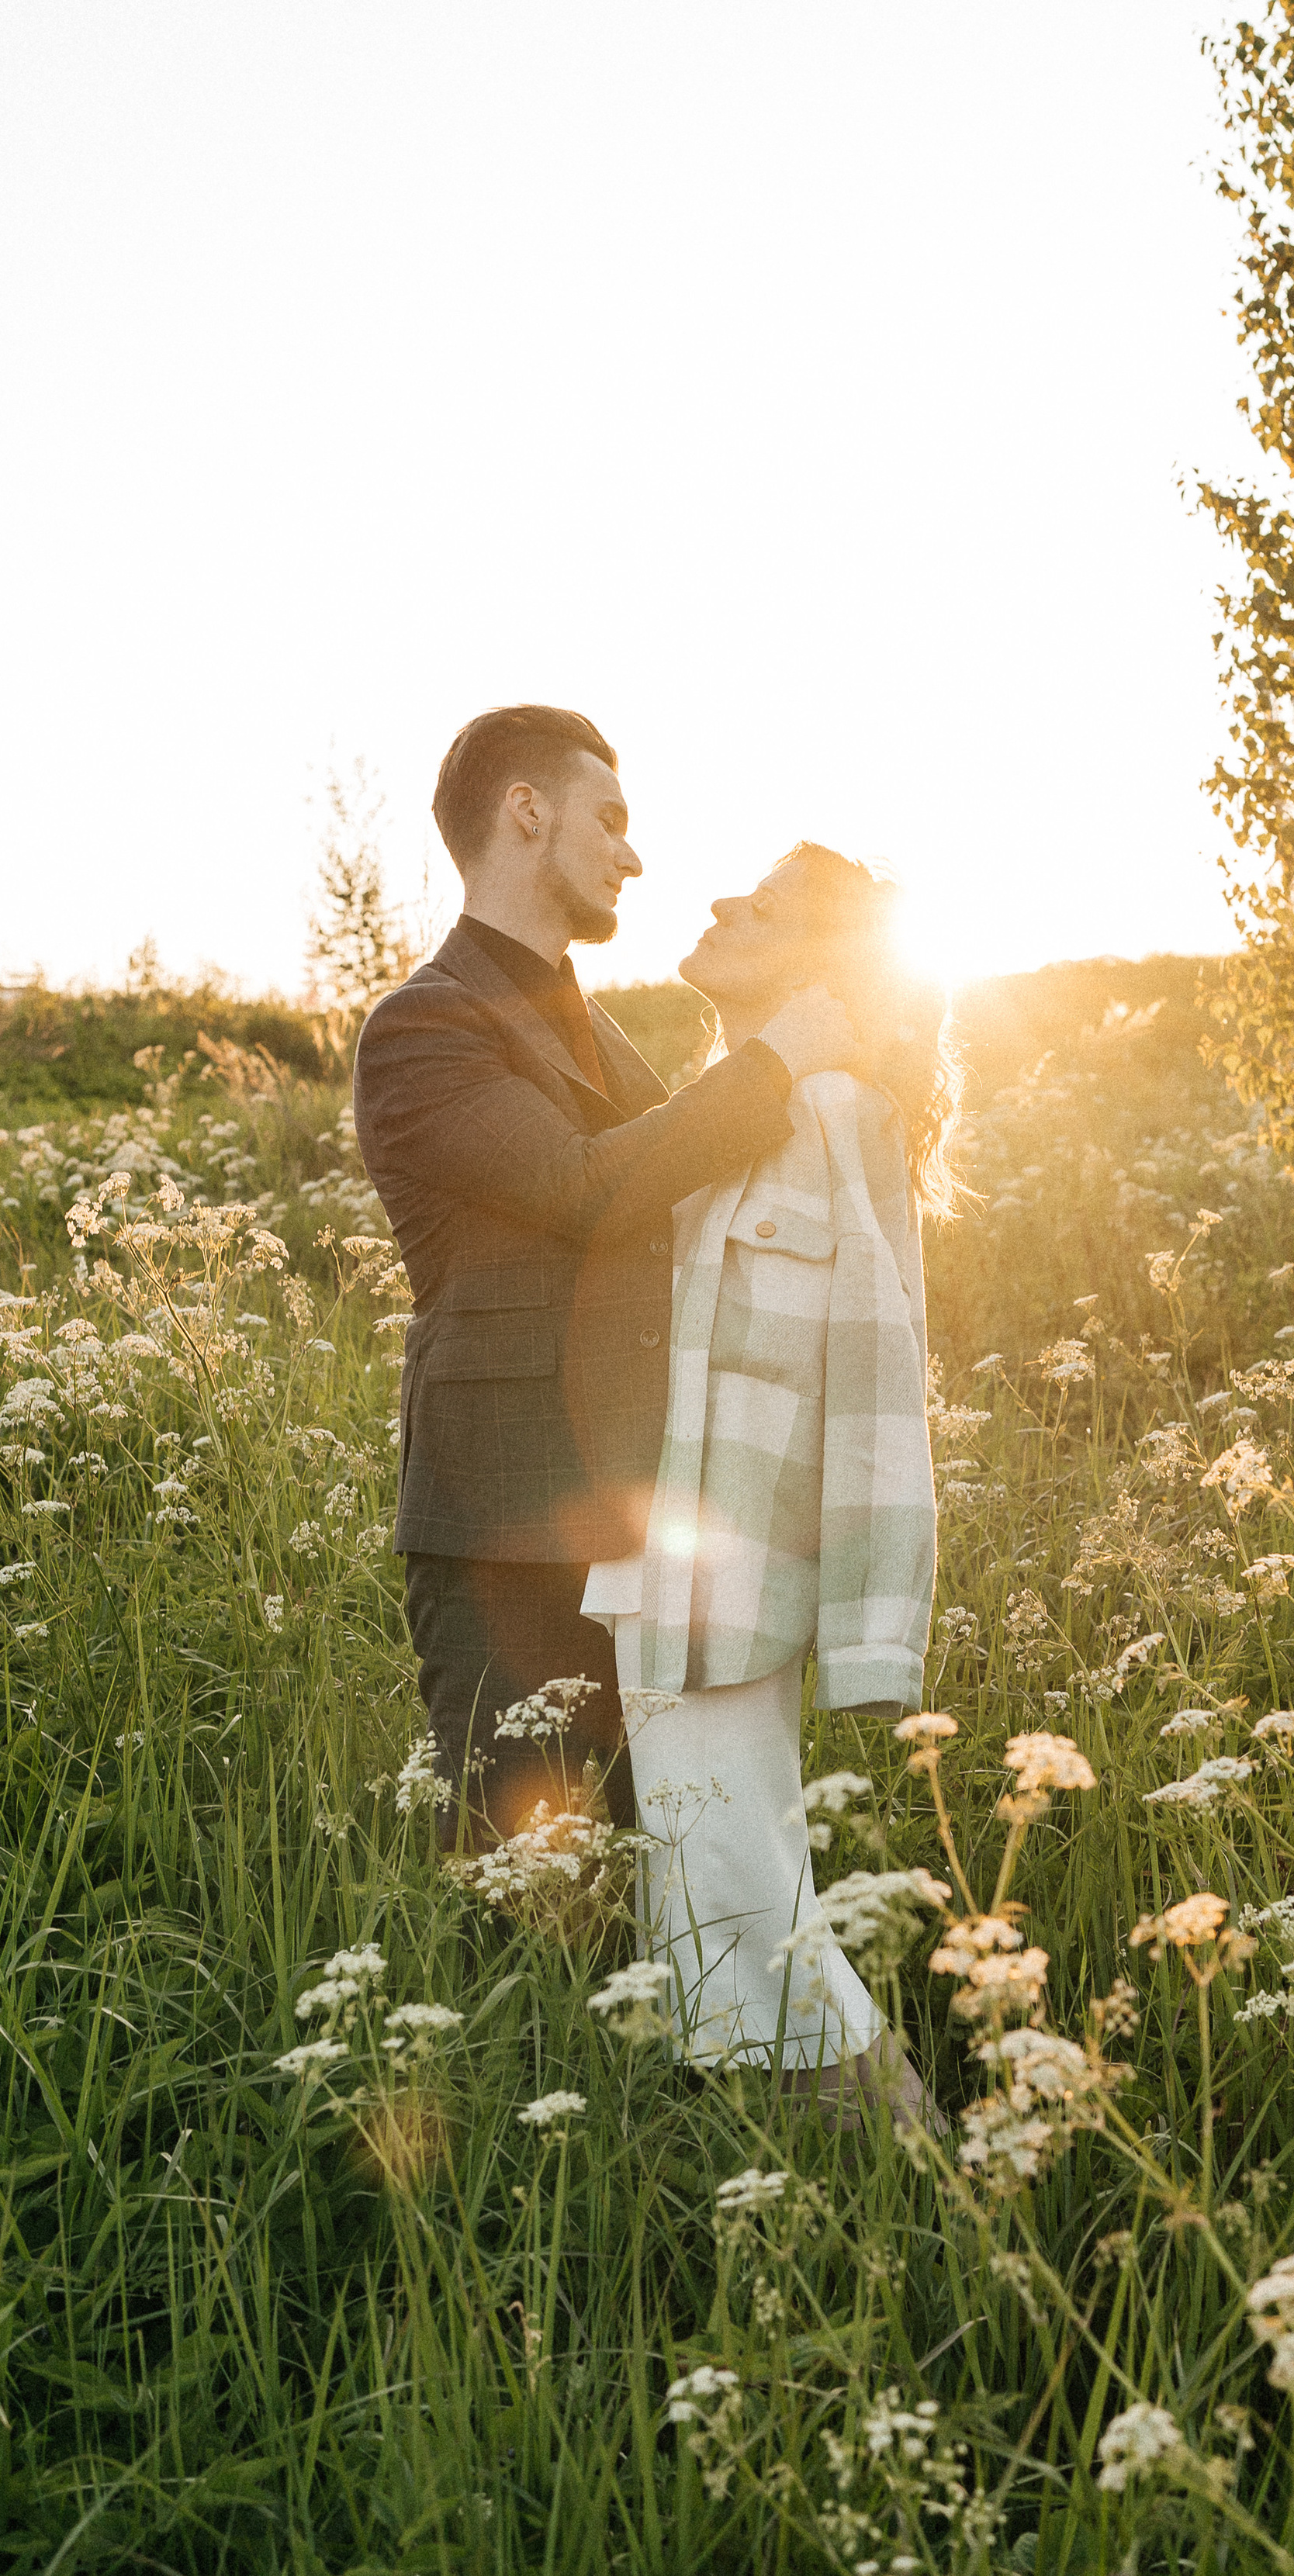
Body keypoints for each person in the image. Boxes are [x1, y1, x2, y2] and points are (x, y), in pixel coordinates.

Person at [352, 707, 859, 1847]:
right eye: (611, 820)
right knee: (519, 1890)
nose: (634, 856)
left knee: (656, 1882)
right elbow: (581, 1186)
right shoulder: (422, 1026)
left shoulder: (601, 1031)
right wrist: (776, 1060)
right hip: (502, 1541)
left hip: (638, 1530)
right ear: (527, 813)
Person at [581, 845, 960, 2130]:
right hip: (651, 1576)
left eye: (765, 907)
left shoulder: (842, 1112)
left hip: (743, 1591)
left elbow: (880, 1378)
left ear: (820, 967)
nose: (720, 905)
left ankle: (935, 2189)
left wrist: (873, 1637)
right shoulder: (716, 1113)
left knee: (749, 1910)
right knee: (701, 1913)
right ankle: (784, 2178)